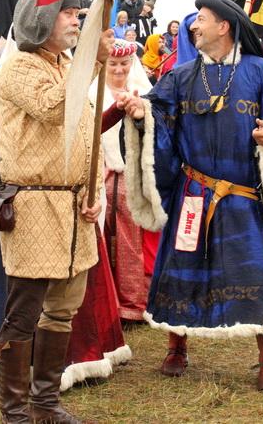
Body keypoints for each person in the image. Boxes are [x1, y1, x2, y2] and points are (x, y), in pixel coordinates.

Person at [118, 0, 263, 392]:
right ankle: (176, 346)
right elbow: (158, 114)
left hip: (241, 194)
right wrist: (143, 114)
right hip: (192, 192)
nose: (193, 26)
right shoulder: (180, 76)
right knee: (181, 267)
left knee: (255, 270)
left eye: (202, 19)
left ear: (224, 26)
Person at [0, 55, 131, 398]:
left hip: (64, 200)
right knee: (17, 297)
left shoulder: (65, 68)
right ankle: (13, 391)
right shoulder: (13, 69)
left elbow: (82, 134)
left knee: (60, 300)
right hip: (15, 200)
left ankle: (49, 385)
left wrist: (116, 113)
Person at [0, 0, 114, 422]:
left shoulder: (66, 65)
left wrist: (94, 192)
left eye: (78, 13)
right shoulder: (19, 66)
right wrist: (93, 61)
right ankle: (14, 410)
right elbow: (55, 107)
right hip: (34, 206)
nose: (76, 20)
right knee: (24, 312)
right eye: (68, 13)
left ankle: (44, 402)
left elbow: (88, 138)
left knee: (62, 310)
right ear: (40, 20)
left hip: (74, 208)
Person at [98, 39, 159, 321]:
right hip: (103, 175)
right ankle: (110, 301)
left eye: (124, 64)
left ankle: (134, 302)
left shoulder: (144, 92)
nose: (119, 69)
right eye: (113, 64)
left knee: (132, 241)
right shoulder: (93, 93)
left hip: (136, 176)